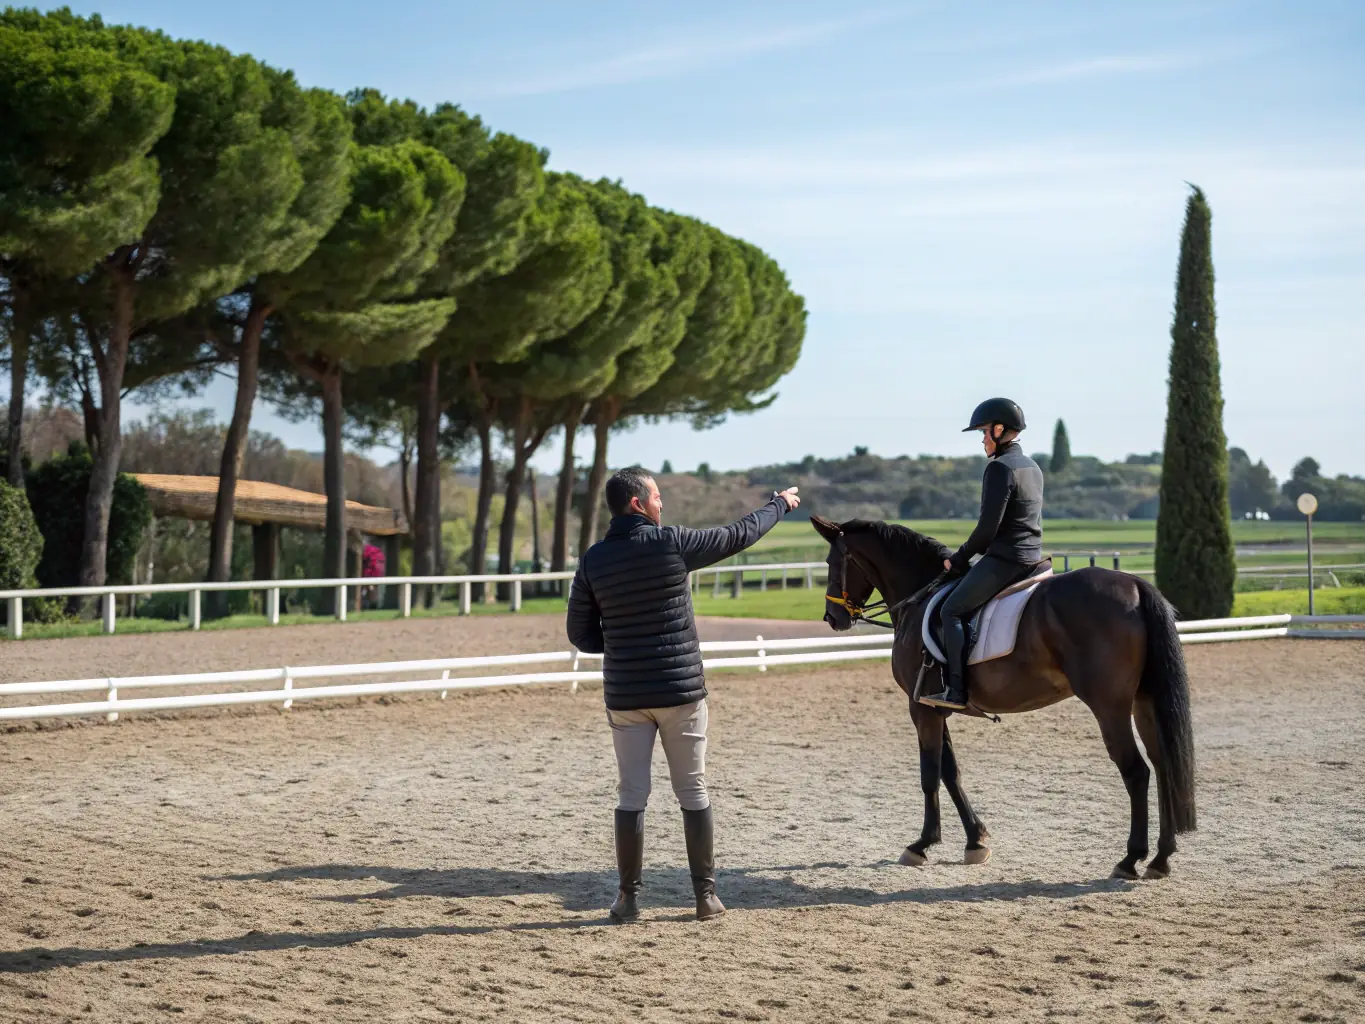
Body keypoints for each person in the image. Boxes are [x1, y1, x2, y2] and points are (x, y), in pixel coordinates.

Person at [566, 467, 801, 922]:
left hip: (627, 696)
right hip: (680, 693)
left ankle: (628, 899)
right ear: (638, 503)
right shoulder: (671, 541)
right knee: (692, 789)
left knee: (631, 793)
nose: (661, 503)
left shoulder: (593, 560)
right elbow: (739, 535)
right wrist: (778, 505)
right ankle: (705, 897)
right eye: (656, 496)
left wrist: (620, 644)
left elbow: (580, 633)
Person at [919, 398, 1044, 711]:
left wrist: (959, 558)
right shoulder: (1032, 467)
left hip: (1005, 561)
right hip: (1032, 557)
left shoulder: (999, 469)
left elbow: (987, 529)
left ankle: (957, 691)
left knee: (951, 610)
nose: (982, 439)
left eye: (985, 432)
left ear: (999, 430)